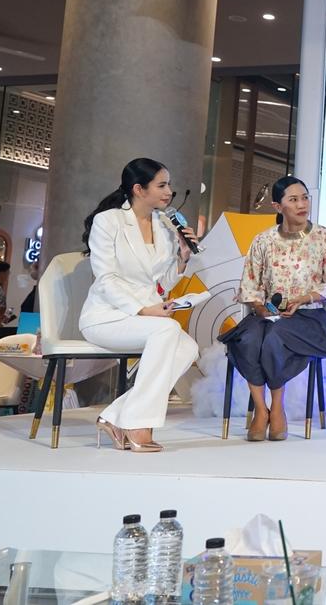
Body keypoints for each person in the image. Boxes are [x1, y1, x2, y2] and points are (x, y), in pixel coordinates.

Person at [79, 158, 200, 452]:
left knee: (188, 348)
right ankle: (137, 425)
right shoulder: (108, 221)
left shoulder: (165, 225)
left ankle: (115, 416)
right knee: (167, 331)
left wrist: (183, 257)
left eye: (169, 185)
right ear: (138, 189)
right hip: (106, 316)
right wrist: (143, 310)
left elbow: (161, 284)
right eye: (162, 185)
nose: (169, 192)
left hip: (145, 318)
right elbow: (105, 279)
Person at [222, 176, 326, 442]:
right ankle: (261, 409)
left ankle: (277, 407)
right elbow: (250, 285)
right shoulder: (263, 240)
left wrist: (303, 298)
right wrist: (261, 308)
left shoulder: (325, 237)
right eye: (294, 200)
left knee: (274, 340)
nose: (302, 204)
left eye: (305, 198)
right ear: (278, 207)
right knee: (247, 339)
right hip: (268, 315)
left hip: (309, 317)